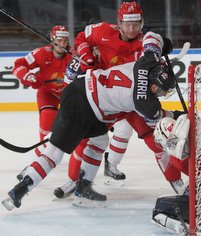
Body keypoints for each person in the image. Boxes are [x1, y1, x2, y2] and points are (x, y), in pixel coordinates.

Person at [2, 31, 179, 210]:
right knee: (54, 153)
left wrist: (163, 45)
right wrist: (177, 115)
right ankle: (20, 190)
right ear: (154, 84)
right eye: (162, 90)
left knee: (100, 141)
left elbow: (150, 36)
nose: (162, 95)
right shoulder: (145, 103)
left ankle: (83, 187)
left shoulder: (144, 63)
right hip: (84, 105)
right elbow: (159, 120)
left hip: (83, 94)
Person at [53, 1, 146, 198]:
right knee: (85, 138)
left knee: (124, 129)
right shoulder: (101, 32)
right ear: (119, 23)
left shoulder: (143, 44)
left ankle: (111, 164)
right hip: (98, 97)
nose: (131, 29)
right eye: (127, 24)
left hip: (123, 100)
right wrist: (85, 57)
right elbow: (80, 42)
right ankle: (72, 180)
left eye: (135, 24)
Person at [12, 25, 71, 169]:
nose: (62, 43)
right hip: (48, 93)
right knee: (48, 116)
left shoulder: (73, 56)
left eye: (64, 40)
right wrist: (28, 75)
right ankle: (42, 153)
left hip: (68, 95)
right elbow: (18, 65)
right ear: (52, 40)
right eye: (59, 39)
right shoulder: (40, 53)